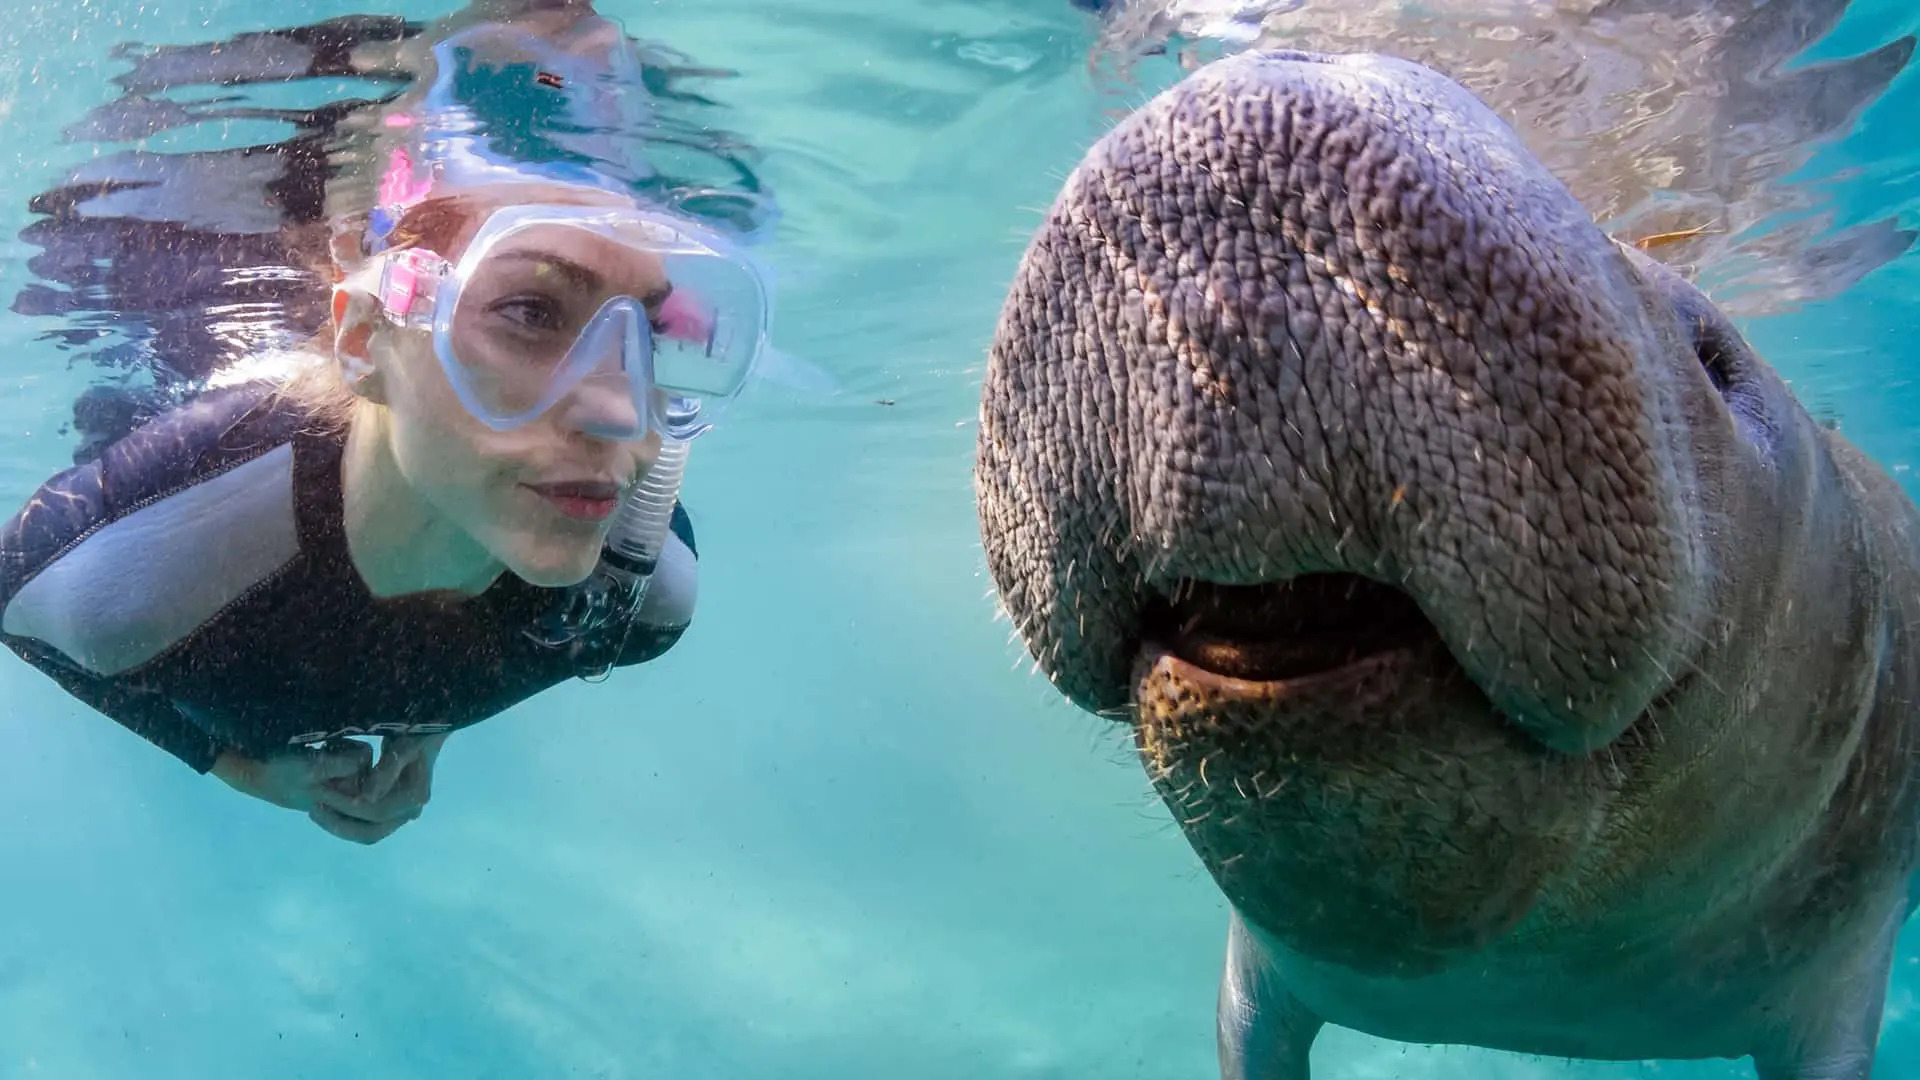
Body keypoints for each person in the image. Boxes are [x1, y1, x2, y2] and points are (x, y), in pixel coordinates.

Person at [0, 3, 774, 845]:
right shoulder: (146, 565)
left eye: (655, 331)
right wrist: (236, 769)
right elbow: (22, 610)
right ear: (366, 338)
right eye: (529, 311)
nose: (623, 412)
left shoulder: (640, 601)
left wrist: (433, 705)